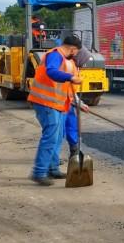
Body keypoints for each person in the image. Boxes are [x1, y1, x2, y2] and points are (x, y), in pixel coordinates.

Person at [28, 34, 83, 186]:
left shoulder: (66, 60)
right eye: (77, 51)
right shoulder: (55, 55)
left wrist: (78, 102)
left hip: (58, 104)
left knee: (58, 137)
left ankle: (52, 169)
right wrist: (70, 77)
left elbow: (66, 89)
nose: (76, 55)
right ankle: (39, 172)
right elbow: (51, 72)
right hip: (45, 102)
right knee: (50, 137)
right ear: (72, 49)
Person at [64, 47, 92, 157]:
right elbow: (67, 89)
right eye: (83, 61)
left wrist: (80, 104)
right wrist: (79, 104)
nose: (84, 64)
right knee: (57, 133)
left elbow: (71, 91)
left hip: (67, 102)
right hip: (58, 103)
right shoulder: (68, 66)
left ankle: (75, 151)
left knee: (72, 125)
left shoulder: (74, 66)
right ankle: (52, 161)